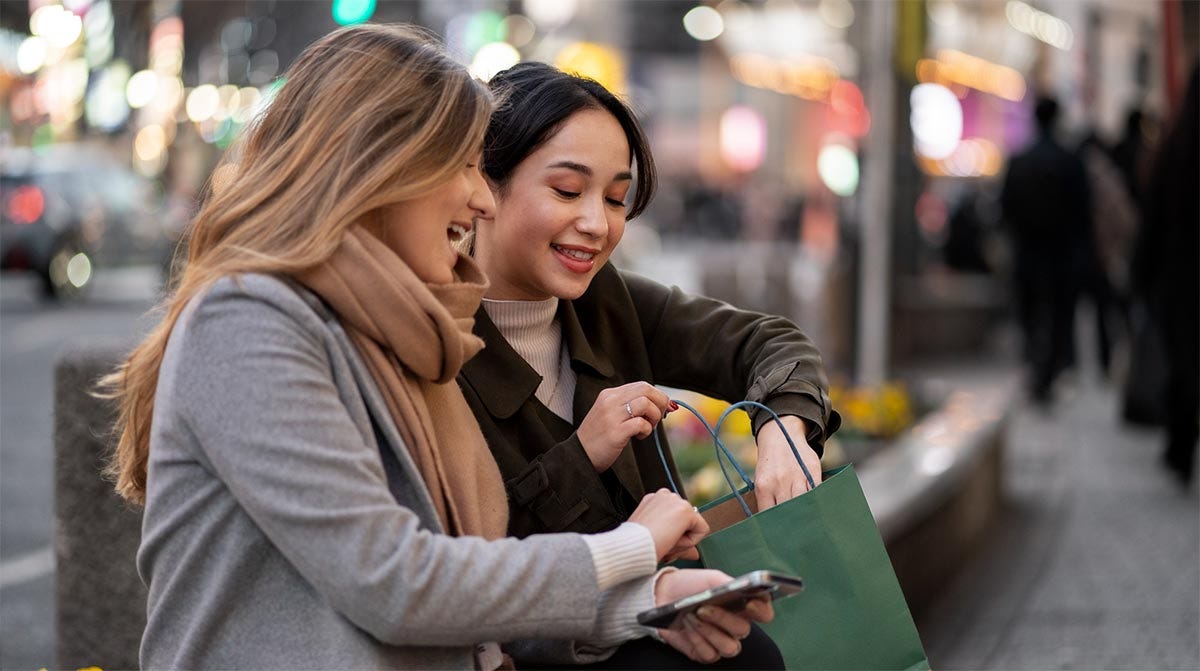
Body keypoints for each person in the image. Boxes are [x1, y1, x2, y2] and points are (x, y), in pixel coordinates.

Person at [102, 25, 771, 669]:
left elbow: (469, 609)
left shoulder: (408, 331)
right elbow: (397, 585)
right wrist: (630, 548)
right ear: (379, 167)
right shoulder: (246, 324)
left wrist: (642, 603)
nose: (481, 198)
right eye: (466, 166)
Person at [457, 62, 839, 540]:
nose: (597, 223)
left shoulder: (607, 302)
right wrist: (581, 456)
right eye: (567, 190)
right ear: (484, 183)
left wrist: (784, 429)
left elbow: (769, 342)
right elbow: (454, 564)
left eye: (616, 198)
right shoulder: (433, 344)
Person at [1000, 96, 1092, 404]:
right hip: (1062, 254)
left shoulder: (1020, 161)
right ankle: (1048, 371)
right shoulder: (1071, 161)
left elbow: (1006, 210)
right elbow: (1083, 213)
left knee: (1031, 315)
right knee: (1059, 316)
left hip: (1029, 253)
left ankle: (1037, 369)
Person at [1133, 64, 1199, 487]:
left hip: (1182, 279)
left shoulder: (1175, 149)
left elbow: (1153, 222)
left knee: (1184, 363)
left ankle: (1180, 447)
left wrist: (1142, 277)